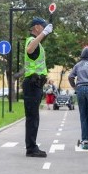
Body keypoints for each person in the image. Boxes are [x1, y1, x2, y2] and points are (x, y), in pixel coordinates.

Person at [23, 17, 53, 157]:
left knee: (33, 117)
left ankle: (31, 146)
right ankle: (31, 148)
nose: (44, 28)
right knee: (32, 117)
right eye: (43, 26)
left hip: (35, 84)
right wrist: (44, 34)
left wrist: (44, 34)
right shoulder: (31, 41)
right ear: (36, 27)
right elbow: (30, 49)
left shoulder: (38, 43)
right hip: (32, 84)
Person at [68, 46, 88, 149]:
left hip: (80, 89)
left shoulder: (78, 65)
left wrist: (75, 87)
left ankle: (84, 139)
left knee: (83, 115)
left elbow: (70, 77)